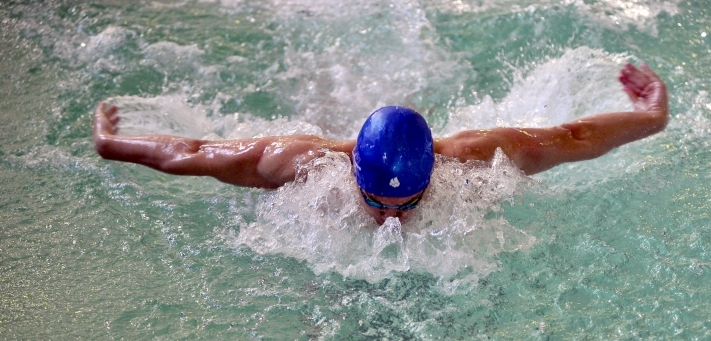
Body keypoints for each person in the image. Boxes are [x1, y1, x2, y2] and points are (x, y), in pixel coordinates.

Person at [94, 63, 668, 224]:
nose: (392, 219)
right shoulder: (296, 163)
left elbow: (571, 137)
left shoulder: (477, 156)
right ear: (353, 174)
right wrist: (109, 144)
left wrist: (652, 117)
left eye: (409, 202)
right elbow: (195, 152)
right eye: (376, 201)